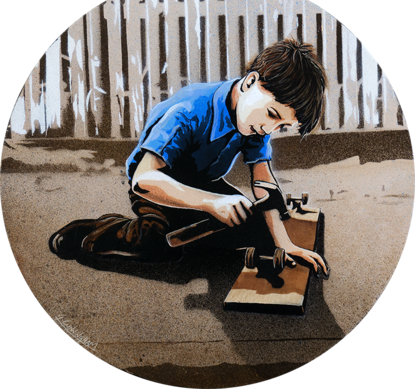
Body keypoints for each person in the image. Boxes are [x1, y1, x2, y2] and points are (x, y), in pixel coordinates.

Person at [50, 38, 328, 276]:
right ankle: (99, 230)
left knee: (257, 230)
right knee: (156, 245)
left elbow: (264, 185)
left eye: (281, 127)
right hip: (160, 188)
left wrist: (284, 243)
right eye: (272, 116)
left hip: (204, 187)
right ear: (251, 82)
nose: (270, 129)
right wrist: (211, 202)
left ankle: (189, 230)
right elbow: (143, 179)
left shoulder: (256, 120)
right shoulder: (190, 109)